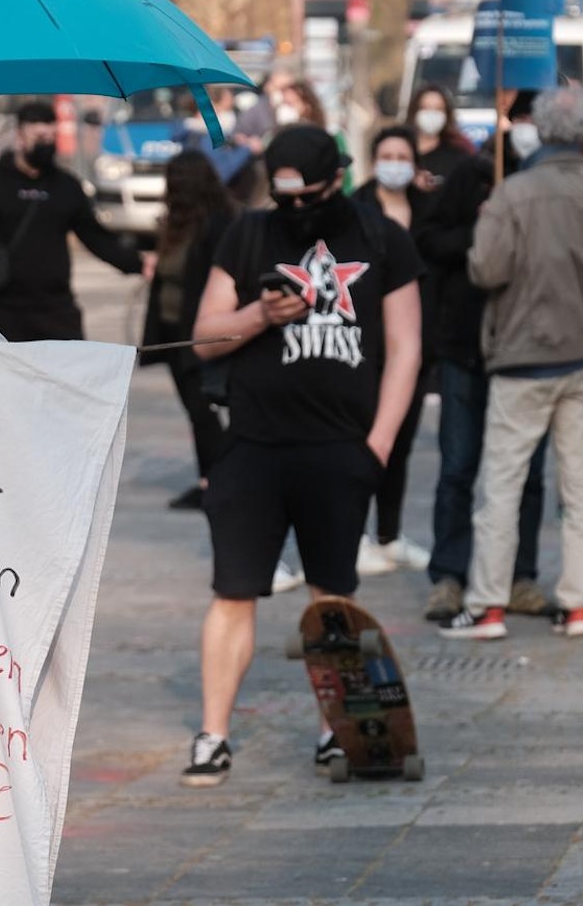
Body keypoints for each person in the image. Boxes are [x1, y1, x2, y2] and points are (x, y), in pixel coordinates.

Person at [179, 126, 423, 786]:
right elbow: (202, 338)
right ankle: (213, 734)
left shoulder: (381, 238)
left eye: (305, 196)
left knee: (332, 598)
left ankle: (337, 731)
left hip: (340, 449)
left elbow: (405, 349)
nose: (293, 210)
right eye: (281, 196)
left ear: (334, 180)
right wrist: (259, 315)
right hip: (252, 446)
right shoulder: (248, 233)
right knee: (232, 591)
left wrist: (377, 445)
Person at [438, 88, 583, 640]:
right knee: (579, 486)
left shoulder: (512, 193)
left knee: (502, 483)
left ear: (540, 130)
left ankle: (489, 604)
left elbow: (485, 270)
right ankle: (579, 603)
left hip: (522, 351)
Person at [414, 92, 553, 623]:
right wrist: (484, 233)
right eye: (522, 119)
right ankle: (449, 574)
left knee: (529, 473)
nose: (528, 129)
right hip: (465, 347)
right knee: (458, 465)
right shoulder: (475, 172)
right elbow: (430, 240)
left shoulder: (554, 183)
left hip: (527, 349)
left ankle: (521, 576)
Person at [0, 101, 146, 341]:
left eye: (50, 136)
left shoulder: (66, 187)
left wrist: (138, 263)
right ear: (20, 136)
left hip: (56, 310)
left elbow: (96, 237)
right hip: (3, 311)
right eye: (38, 136)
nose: (46, 142)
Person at [349, 126, 431, 576]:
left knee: (399, 445)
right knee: (365, 439)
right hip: (365, 345)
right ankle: (355, 533)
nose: (395, 162)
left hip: (415, 346)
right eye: (387, 154)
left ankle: (390, 534)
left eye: (403, 154)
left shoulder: (426, 209)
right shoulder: (358, 209)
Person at [142, 151, 237, 512]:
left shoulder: (218, 223)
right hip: (173, 329)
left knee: (203, 409)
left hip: (198, 332)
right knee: (196, 410)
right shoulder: (178, 224)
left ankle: (219, 479)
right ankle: (209, 479)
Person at [409, 84, 476, 192]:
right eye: (425, 108)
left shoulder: (458, 157)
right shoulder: (401, 153)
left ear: (447, 115)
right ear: (414, 112)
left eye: (438, 109)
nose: (431, 114)